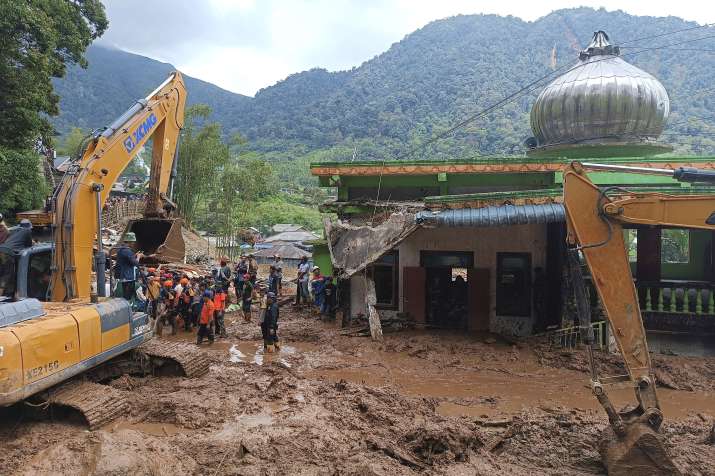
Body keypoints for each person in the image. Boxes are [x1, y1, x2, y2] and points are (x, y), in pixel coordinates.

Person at [116, 232, 143, 301]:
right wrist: (138, 257)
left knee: (124, 296)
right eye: (133, 242)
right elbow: (135, 263)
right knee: (127, 297)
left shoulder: (121, 250)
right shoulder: (127, 251)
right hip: (128, 277)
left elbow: (126, 260)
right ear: (129, 241)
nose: (134, 244)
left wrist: (133, 256)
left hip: (122, 276)